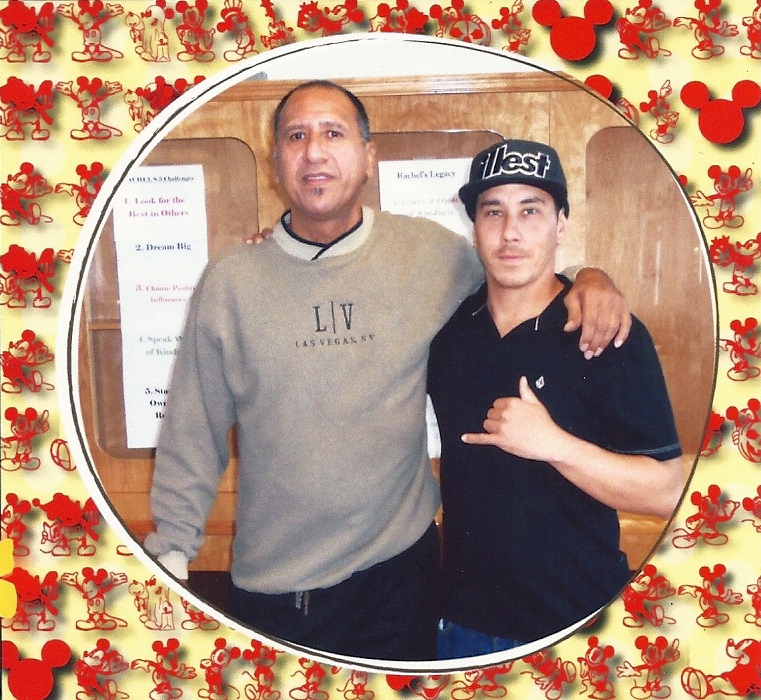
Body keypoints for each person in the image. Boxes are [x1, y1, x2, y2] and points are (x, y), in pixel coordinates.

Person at [144, 81, 630, 661]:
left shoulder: (431, 255)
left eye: (333, 133)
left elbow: (519, 268)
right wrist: (172, 550)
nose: (314, 151)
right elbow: (192, 428)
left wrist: (590, 277)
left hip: (401, 577)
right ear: (276, 163)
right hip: (275, 585)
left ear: (368, 157)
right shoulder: (231, 282)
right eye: (296, 136)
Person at [427, 138, 685, 660]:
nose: (511, 231)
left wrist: (553, 445)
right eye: (493, 211)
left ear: (562, 224)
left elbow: (666, 491)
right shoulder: (449, 334)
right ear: (473, 225)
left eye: (531, 210)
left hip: (576, 625)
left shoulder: (606, 332)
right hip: (461, 627)